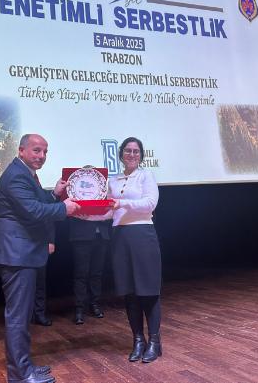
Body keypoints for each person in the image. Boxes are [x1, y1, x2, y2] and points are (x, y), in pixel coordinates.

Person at [0, 134, 80, 383]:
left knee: (22, 315)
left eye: (45, 151)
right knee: (18, 317)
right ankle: (19, 375)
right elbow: (33, 211)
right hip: (16, 253)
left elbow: (36, 201)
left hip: (21, 253)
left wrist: (55, 194)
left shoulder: (25, 174)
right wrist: (64, 208)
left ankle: (24, 367)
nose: (42, 156)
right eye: (36, 150)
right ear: (21, 150)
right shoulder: (17, 175)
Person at [108, 137, 162, 363]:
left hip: (142, 235)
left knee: (148, 290)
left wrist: (122, 203)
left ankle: (154, 341)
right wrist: (82, 210)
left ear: (141, 155)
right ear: (121, 154)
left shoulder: (146, 176)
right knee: (129, 292)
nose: (132, 154)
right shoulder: (112, 181)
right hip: (119, 236)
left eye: (136, 151)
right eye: (128, 151)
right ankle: (138, 340)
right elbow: (108, 212)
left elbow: (150, 204)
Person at [68, 217, 110, 324]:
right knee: (81, 274)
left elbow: (111, 211)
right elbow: (68, 212)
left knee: (97, 273)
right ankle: (79, 308)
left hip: (101, 235)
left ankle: (94, 304)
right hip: (81, 235)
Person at [31, 242, 54, 327]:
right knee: (24, 284)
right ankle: (25, 314)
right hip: (21, 245)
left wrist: (51, 241)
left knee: (40, 283)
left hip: (40, 245)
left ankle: (39, 314)